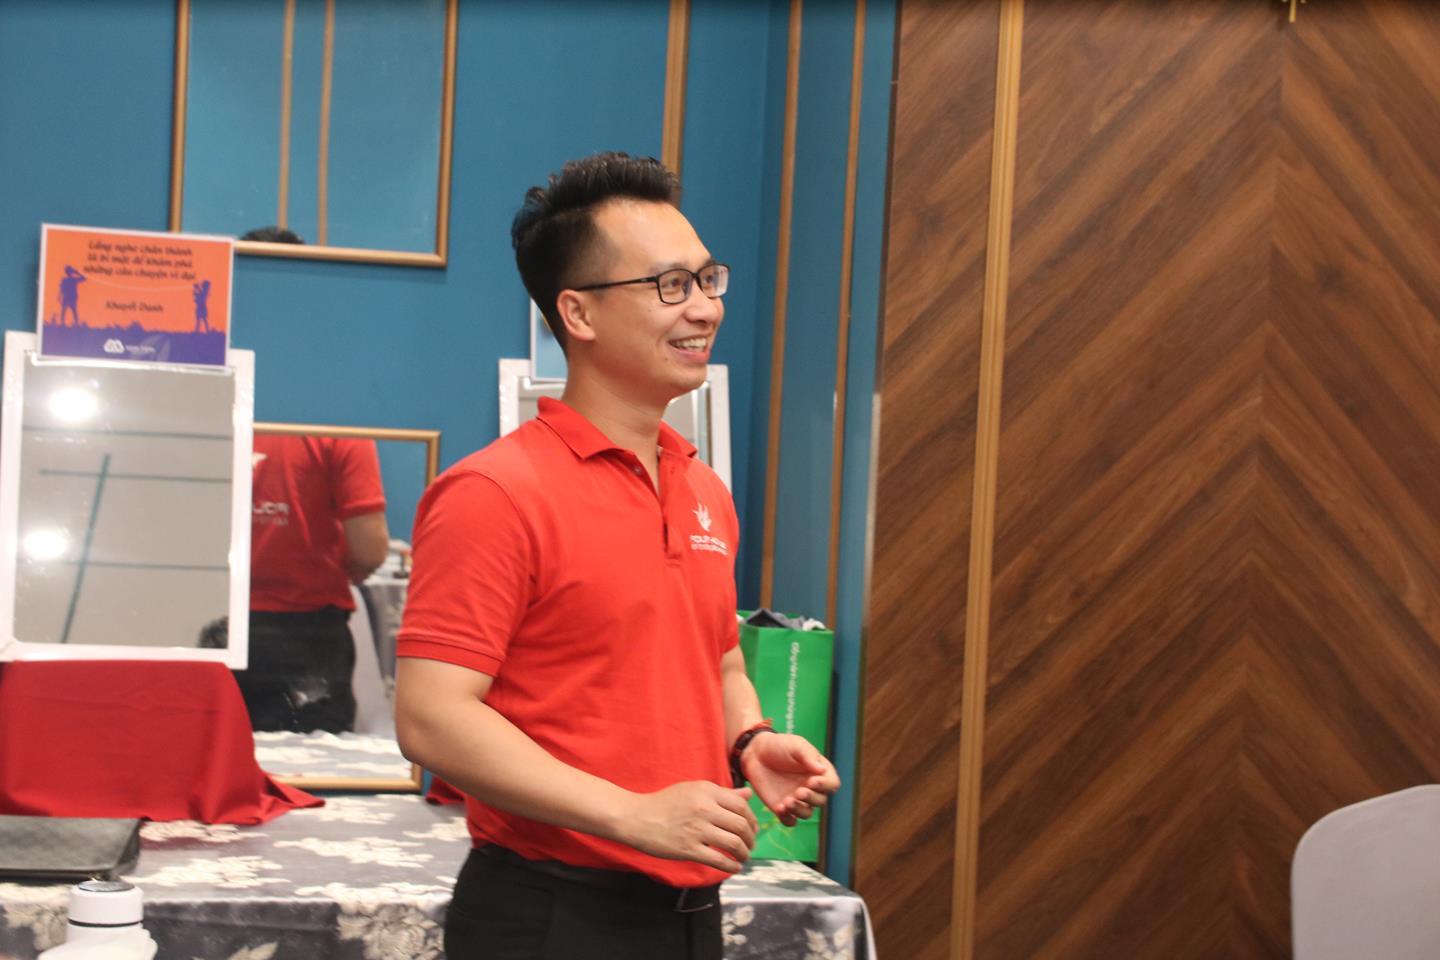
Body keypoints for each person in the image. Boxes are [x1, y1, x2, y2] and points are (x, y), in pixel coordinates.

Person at [394, 152, 840, 960]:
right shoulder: (495, 492)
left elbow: (719, 657)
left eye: (707, 279)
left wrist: (749, 741)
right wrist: (631, 813)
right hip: (550, 916)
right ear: (579, 312)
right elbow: (432, 717)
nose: (704, 307)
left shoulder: (703, 488)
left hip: (689, 911)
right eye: (670, 285)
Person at [239, 434, 390, 732]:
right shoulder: (339, 427)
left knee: (210, 752)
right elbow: (369, 549)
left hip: (210, 627)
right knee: (310, 756)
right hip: (308, 634)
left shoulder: (209, 412)